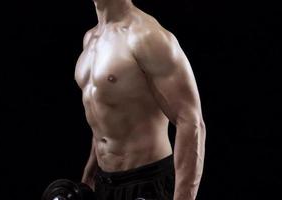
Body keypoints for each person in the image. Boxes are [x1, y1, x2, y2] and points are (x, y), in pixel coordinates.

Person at [74, 0, 206, 199]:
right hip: (104, 184)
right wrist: (88, 180)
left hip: (147, 183)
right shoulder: (90, 38)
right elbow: (105, 118)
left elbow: (191, 121)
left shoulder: (147, 36)